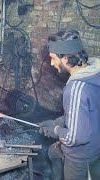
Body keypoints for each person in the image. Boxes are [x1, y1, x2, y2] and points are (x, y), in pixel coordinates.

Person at [39, 29, 100, 180]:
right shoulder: (94, 71)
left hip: (81, 159)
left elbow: (75, 138)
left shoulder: (75, 89)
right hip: (95, 145)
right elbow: (87, 112)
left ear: (65, 58)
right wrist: (58, 121)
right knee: (53, 153)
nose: (52, 63)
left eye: (53, 58)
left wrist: (55, 130)